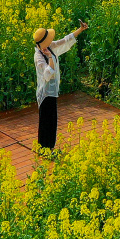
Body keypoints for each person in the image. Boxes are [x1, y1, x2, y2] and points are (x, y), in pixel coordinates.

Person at [33, 21, 88, 151]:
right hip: (45, 94)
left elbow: (64, 41)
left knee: (52, 121)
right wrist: (50, 58)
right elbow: (48, 74)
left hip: (53, 91)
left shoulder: (49, 46)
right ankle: (43, 149)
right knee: (45, 122)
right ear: (43, 42)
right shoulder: (39, 57)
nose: (52, 40)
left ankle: (50, 148)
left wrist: (80, 29)